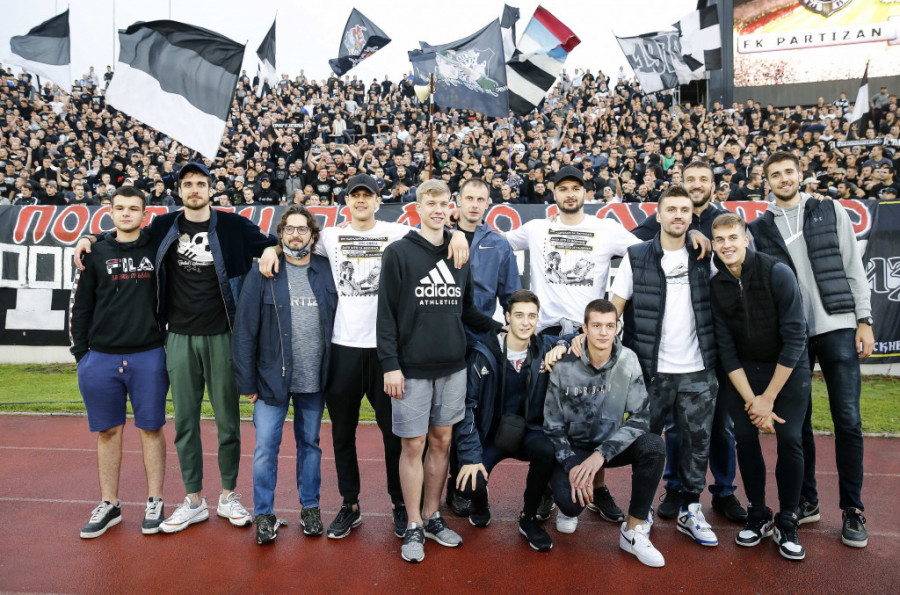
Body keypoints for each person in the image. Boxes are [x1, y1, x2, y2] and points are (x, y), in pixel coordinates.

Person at [257, 173, 469, 540]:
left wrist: (458, 234)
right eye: (354, 196)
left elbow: (434, 234)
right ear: (346, 202)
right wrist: (270, 250)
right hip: (343, 348)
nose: (360, 201)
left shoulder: (397, 233)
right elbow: (294, 241)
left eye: (367, 196)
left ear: (377, 201)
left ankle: (399, 503)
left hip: (387, 353)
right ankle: (350, 503)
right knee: (342, 433)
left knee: (394, 435)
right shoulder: (331, 237)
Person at [74, 162, 278, 534]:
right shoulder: (164, 226)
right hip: (179, 336)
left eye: (201, 183)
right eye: (188, 184)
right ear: (179, 191)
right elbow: (124, 231)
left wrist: (271, 249)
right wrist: (89, 237)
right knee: (184, 423)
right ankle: (194, 499)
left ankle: (228, 495)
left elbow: (271, 241)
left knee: (228, 422)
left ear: (211, 189)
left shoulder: (233, 225)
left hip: (223, 335)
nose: (194, 189)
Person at [750, 151, 873, 548]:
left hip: (838, 325)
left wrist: (865, 319)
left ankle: (853, 509)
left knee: (848, 420)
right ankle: (808, 501)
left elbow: (853, 265)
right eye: (775, 174)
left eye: (789, 171)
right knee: (798, 425)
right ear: (767, 182)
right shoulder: (759, 228)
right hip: (794, 337)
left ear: (800, 174)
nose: (783, 178)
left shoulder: (828, 209)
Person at [377, 179, 500, 563]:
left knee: (443, 442)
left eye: (443, 203)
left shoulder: (458, 252)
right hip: (411, 370)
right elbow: (386, 315)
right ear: (417, 207)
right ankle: (413, 522)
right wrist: (390, 365)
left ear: (451, 207)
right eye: (430, 203)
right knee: (413, 445)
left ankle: (432, 515)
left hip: (452, 367)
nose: (437, 209)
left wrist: (502, 329)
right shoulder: (398, 253)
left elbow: (467, 310)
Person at [631, 161, 745, 524]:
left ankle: (723, 491)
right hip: (664, 359)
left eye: (703, 179)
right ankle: (674, 488)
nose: (696, 185)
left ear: (713, 185)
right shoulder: (668, 217)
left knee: (719, 427)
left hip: (710, 349)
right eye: (690, 179)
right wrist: (689, 231)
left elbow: (738, 266)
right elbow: (635, 243)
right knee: (674, 429)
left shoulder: (724, 221)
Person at [610, 186, 720, 547]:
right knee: (645, 445)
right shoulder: (636, 255)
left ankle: (691, 508)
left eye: (684, 210)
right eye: (671, 209)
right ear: (657, 215)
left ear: (692, 216)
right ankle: (640, 512)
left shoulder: (705, 254)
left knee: (697, 444)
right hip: (650, 372)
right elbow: (615, 308)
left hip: (698, 370)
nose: (678, 215)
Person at [232, 205, 338, 545]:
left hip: (314, 379)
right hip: (270, 379)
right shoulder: (264, 271)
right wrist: (247, 381)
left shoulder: (327, 270)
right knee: (266, 447)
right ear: (281, 234)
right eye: (289, 229)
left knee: (311, 445)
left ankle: (310, 508)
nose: (295, 235)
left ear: (312, 235)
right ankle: (264, 513)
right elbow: (244, 329)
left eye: (302, 229)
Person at [710, 212, 810, 561]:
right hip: (745, 372)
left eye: (732, 238)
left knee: (790, 439)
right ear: (714, 244)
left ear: (745, 239)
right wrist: (753, 400)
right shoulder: (717, 286)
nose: (727, 245)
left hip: (788, 368)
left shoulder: (777, 272)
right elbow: (726, 351)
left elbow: (795, 337)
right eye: (720, 240)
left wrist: (768, 398)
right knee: (745, 437)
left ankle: (789, 519)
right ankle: (758, 513)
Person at [69, 186, 168, 538]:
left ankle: (155, 500)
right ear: (110, 211)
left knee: (151, 429)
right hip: (101, 356)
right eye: (120, 208)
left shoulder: (158, 245)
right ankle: (109, 503)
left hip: (149, 353)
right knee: (108, 431)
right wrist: (82, 356)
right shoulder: (95, 251)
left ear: (145, 214)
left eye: (133, 208)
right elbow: (81, 306)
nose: (126, 213)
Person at [543, 299, 666, 567]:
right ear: (584, 328)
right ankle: (554, 490)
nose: (603, 332)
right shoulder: (564, 362)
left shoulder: (628, 359)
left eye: (609, 326)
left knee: (654, 446)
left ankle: (633, 530)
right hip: (575, 448)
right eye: (596, 325)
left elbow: (640, 417)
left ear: (617, 328)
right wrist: (572, 463)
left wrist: (601, 454)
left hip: (609, 446)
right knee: (572, 506)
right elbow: (552, 425)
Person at [454, 290, 565, 552]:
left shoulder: (544, 347)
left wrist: (562, 344)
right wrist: (471, 456)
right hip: (491, 434)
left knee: (546, 450)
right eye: (519, 315)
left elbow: (578, 338)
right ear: (507, 317)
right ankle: (480, 500)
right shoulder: (483, 354)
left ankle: (528, 517)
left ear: (537, 319)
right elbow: (467, 408)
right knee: (468, 484)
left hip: (529, 431)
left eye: (532, 316)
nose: (526, 322)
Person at [444, 176, 522, 516]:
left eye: (481, 199)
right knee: (439, 420)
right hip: (440, 339)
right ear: (458, 201)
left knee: (473, 414)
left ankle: (465, 483)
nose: (475, 204)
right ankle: (433, 488)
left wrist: (513, 331)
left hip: (480, 343)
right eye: (469, 198)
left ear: (488, 203)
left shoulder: (498, 244)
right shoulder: (438, 235)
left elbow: (511, 296)